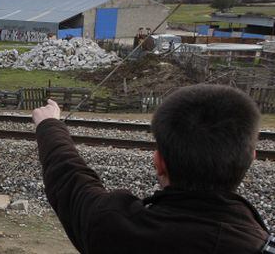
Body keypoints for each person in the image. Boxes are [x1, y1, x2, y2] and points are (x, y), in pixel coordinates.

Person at [32, 84, 271, 254]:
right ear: (251, 159)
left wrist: (49, 125)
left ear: (159, 162)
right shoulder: (257, 243)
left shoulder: (115, 229)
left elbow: (69, 179)